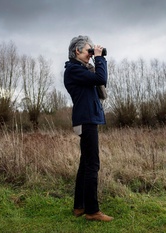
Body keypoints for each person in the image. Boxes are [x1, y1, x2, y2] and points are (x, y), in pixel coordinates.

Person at [64, 35, 113, 222]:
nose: (91, 54)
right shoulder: (74, 70)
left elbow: (100, 82)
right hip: (86, 120)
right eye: (88, 51)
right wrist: (100, 57)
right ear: (77, 51)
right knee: (93, 164)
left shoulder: (81, 70)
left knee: (85, 164)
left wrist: (95, 60)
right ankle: (92, 211)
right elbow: (101, 77)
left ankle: (80, 206)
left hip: (86, 119)